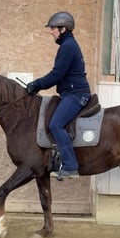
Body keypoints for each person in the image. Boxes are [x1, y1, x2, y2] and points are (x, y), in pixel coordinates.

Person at [26, 11, 91, 181]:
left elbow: (57, 74)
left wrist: (37, 84)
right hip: (69, 93)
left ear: (63, 29)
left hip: (76, 95)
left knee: (56, 125)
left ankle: (70, 166)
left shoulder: (68, 47)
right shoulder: (67, 45)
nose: (51, 31)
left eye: (53, 28)